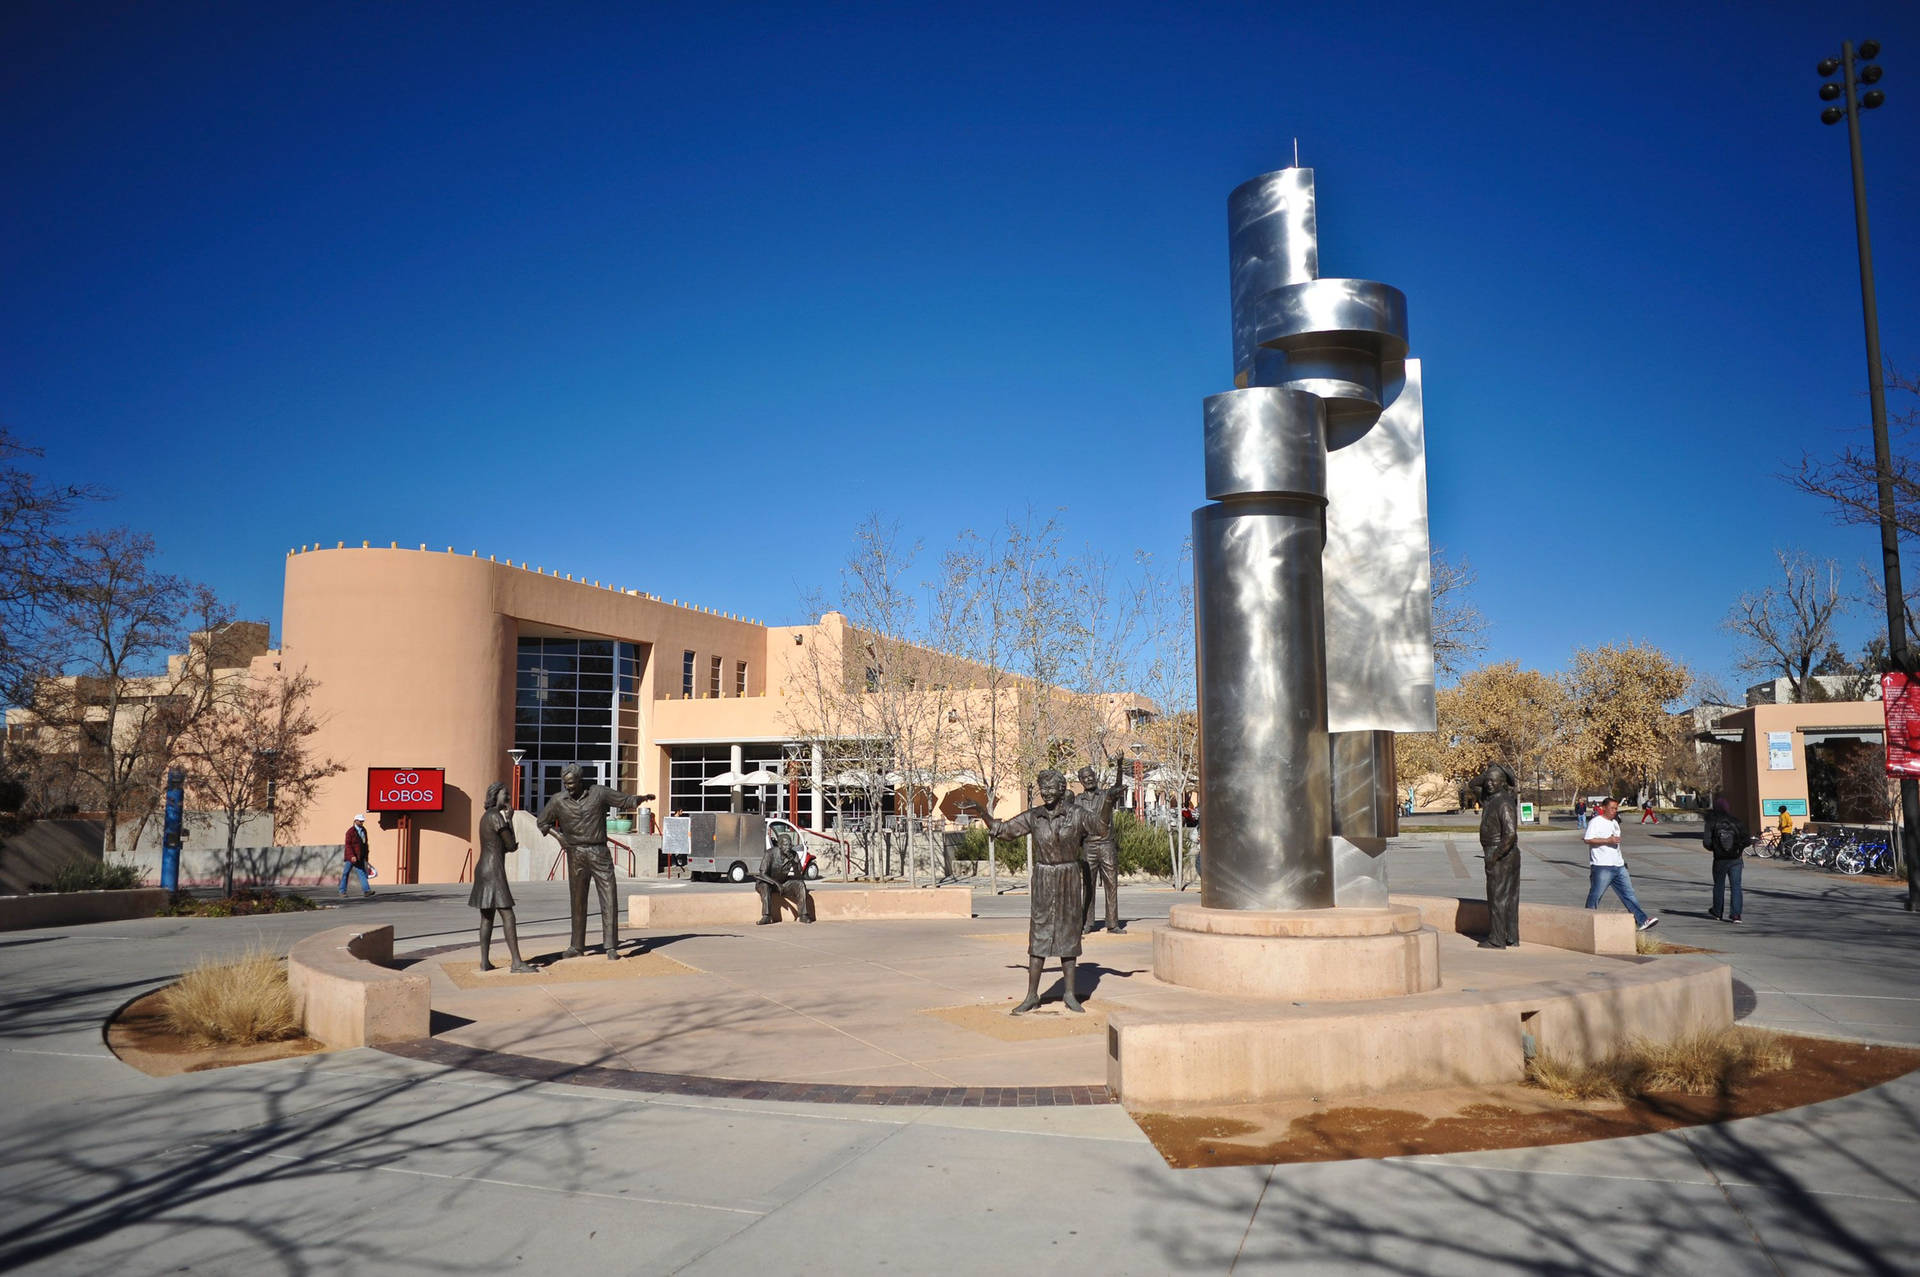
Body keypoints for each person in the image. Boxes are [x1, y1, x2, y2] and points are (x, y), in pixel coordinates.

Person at [965, 769, 1094, 1014]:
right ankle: (1032, 995)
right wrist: (981, 810)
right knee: (1039, 934)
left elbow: (1101, 828)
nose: (1046, 792)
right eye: (1042, 788)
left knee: (1068, 933)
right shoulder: (1034, 817)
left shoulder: (1077, 814)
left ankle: (1069, 993)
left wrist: (1107, 799)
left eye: (1051, 788)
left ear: (1062, 789)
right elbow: (1003, 831)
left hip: (1068, 877)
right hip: (1044, 879)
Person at [537, 764, 654, 960]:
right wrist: (560, 838)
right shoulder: (558, 800)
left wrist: (642, 798)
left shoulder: (598, 793)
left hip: (599, 851)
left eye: (572, 784)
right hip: (575, 853)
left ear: (581, 781)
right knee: (578, 900)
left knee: (609, 897)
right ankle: (576, 946)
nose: (569, 788)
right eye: (566, 784)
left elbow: (624, 800)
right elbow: (542, 822)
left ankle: (610, 946)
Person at [471, 782, 535, 971]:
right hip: (493, 870)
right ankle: (516, 962)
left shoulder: (485, 817)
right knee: (508, 915)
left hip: (483, 868)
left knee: (487, 917)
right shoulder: (496, 816)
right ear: (495, 795)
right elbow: (510, 845)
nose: (507, 798)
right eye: (505, 794)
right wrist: (510, 819)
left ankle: (484, 962)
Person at [1583, 798, 1657, 930]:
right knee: (1595, 895)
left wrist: (1622, 862)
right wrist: (1607, 840)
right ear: (1603, 808)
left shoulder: (1615, 823)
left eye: (1616, 808)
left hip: (1618, 865)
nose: (1614, 811)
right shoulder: (1596, 822)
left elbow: (1616, 844)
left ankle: (1642, 920)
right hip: (1602, 866)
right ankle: (1587, 923)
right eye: (1611, 808)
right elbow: (1588, 839)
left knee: (1628, 894)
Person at [1473, 763, 1521, 949]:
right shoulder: (1490, 799)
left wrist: (1495, 856)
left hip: (1500, 852)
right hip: (1500, 852)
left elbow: (1510, 834)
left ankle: (1497, 939)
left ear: (1502, 784)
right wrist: (1489, 771)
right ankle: (1510, 936)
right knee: (1508, 896)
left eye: (1493, 781)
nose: (1488, 784)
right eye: (1487, 780)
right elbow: (1472, 784)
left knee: (1498, 896)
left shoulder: (1503, 803)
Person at [1077, 759, 1127, 934]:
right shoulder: (1077, 801)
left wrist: (1119, 768)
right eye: (1085, 777)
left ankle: (1112, 923)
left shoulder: (1106, 795)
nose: (1089, 779)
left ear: (1095, 777)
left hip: (1106, 846)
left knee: (1111, 885)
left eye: (1091, 776)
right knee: (1087, 887)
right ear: (1081, 781)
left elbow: (1118, 788)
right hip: (1088, 846)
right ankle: (1086, 923)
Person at [1703, 797, 1748, 923]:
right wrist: (1738, 849)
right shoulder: (1736, 821)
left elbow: (1706, 842)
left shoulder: (1711, 822)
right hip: (1736, 859)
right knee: (1736, 886)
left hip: (1719, 860)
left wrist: (1716, 848)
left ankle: (1717, 912)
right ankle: (1736, 915)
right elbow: (1747, 840)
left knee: (1719, 885)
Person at [755, 830, 813, 925]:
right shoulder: (770, 854)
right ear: (779, 845)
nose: (788, 847)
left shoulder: (793, 855)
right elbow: (762, 874)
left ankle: (803, 915)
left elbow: (799, 876)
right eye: (786, 845)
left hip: (782, 883)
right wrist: (776, 883)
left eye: (790, 845)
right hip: (766, 882)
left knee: (800, 884)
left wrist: (794, 863)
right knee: (765, 887)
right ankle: (766, 916)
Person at [339, 813, 375, 897]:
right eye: (360, 821)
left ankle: (367, 891)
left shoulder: (364, 830)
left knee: (362, 873)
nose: (362, 822)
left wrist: (366, 857)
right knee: (346, 873)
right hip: (351, 857)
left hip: (360, 857)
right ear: (355, 821)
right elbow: (348, 845)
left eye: (362, 821)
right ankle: (342, 891)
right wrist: (352, 856)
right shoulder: (350, 832)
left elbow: (365, 844)